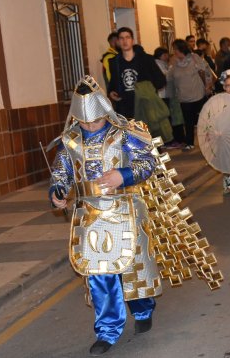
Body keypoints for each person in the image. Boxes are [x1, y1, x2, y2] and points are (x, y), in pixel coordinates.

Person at [49, 76, 160, 355]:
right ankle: (108, 329)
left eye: (95, 121)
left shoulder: (124, 133)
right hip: (90, 215)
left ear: (105, 112)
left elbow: (148, 162)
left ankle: (143, 309)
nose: (89, 127)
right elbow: (61, 170)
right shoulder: (70, 140)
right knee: (100, 272)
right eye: (84, 122)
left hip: (126, 210)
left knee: (132, 268)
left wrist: (123, 174)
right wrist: (58, 190)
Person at [107, 27, 166, 119]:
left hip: (146, 107)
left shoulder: (146, 59)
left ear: (133, 40)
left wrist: (147, 90)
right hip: (125, 109)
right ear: (118, 42)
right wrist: (111, 92)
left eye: (127, 37)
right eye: (121, 38)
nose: (124, 41)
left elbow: (161, 80)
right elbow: (113, 82)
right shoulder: (114, 62)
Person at [169, 39, 212, 151]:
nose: (174, 52)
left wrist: (207, 86)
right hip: (183, 97)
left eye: (175, 49)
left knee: (204, 120)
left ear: (180, 49)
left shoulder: (194, 58)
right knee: (188, 121)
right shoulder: (174, 62)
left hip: (198, 94)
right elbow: (171, 77)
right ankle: (189, 142)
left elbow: (205, 71)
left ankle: (209, 141)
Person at [154, 47, 185, 148]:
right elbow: (164, 77)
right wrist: (171, 69)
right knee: (167, 118)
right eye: (166, 54)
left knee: (171, 117)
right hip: (162, 94)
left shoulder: (163, 64)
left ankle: (174, 139)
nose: (168, 56)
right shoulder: (157, 64)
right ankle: (168, 141)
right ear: (161, 55)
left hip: (168, 94)